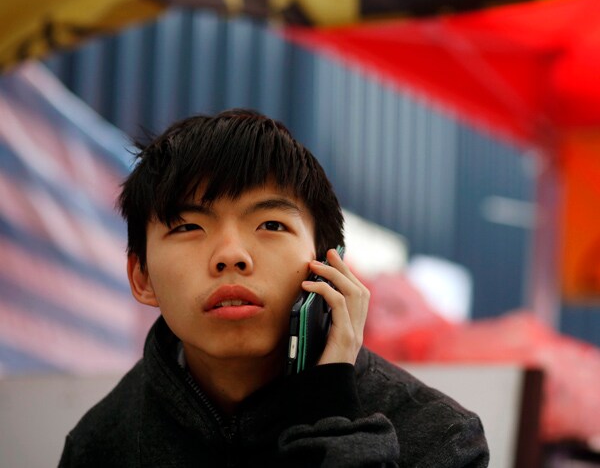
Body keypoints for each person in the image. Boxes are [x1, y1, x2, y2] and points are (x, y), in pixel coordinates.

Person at [59, 109, 489, 467]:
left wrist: (330, 417)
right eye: (189, 226)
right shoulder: (99, 445)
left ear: (329, 265)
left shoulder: (439, 437)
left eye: (270, 224)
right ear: (142, 277)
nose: (231, 255)